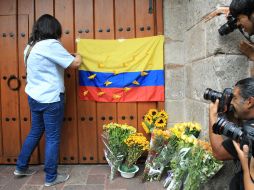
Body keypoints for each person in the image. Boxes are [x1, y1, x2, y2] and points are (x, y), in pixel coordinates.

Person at [13, 14, 82, 186]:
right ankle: (51, 177)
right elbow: (74, 64)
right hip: (51, 98)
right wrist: (79, 55)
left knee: (35, 131)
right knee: (52, 137)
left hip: (35, 97)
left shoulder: (29, 47)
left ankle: (21, 167)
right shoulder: (51, 45)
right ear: (53, 29)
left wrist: (68, 56)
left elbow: (50, 62)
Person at [209, 77, 254, 190]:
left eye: (234, 98)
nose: (230, 102)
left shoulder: (248, 134)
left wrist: (213, 116)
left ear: (250, 102)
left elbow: (219, 152)